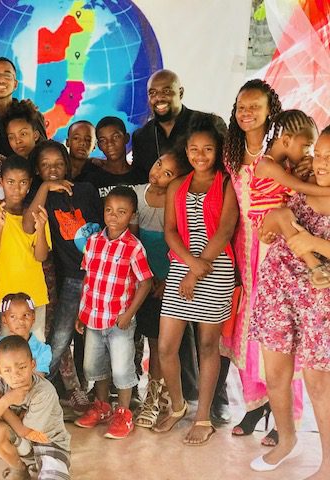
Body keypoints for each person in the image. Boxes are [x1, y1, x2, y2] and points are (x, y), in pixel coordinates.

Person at [133, 70, 231, 422]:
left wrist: (200, 261)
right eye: (153, 92)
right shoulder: (143, 136)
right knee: (170, 337)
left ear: (180, 92)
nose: (159, 97)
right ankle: (182, 399)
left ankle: (213, 401)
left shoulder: (206, 122)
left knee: (209, 340)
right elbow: (144, 182)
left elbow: (227, 194)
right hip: (174, 249)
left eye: (167, 91)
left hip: (214, 255)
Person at [221, 79, 302, 446]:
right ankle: (256, 403)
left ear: (271, 110)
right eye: (241, 106)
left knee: (280, 326)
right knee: (250, 325)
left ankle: (283, 415)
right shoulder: (231, 154)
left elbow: (297, 192)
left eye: (255, 106)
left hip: (280, 247)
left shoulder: (282, 150)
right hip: (246, 246)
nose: (247, 112)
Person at [248, 127, 330, 477]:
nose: (323, 164)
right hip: (278, 288)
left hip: (320, 298)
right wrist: (272, 226)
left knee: (318, 382)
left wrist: (311, 242)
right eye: (322, 155)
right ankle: (286, 440)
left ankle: (328, 462)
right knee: (277, 372)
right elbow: (268, 221)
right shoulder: (302, 179)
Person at [154, 114, 238, 446]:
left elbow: (225, 231)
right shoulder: (178, 185)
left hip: (216, 271)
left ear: (218, 150)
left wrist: (197, 268)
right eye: (193, 149)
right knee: (165, 347)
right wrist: (188, 265)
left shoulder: (227, 183)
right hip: (183, 267)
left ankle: (203, 416)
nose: (200, 155)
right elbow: (170, 231)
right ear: (185, 150)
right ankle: (177, 406)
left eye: (207, 149)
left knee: (207, 345)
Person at [22, 140, 103, 396]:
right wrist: (45, 187)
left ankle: (97, 392)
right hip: (70, 277)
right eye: (45, 166)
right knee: (59, 337)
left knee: (98, 337)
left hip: (98, 274)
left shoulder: (86, 190)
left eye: (58, 163)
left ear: (67, 165)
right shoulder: (41, 197)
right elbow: (27, 225)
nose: (53, 169)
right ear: (37, 171)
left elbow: (103, 228)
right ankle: (35, 389)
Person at [74, 186, 153, 439]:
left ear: (131, 215)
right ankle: (102, 407)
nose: (113, 216)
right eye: (109, 210)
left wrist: (129, 314)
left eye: (121, 212)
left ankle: (123, 413)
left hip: (119, 320)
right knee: (93, 366)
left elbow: (146, 282)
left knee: (121, 369)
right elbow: (88, 278)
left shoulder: (134, 246)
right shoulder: (93, 242)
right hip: (94, 317)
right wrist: (80, 312)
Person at [129, 150, 191, 429]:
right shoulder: (137, 193)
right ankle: (132, 393)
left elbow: (178, 242)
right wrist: (143, 276)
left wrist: (165, 279)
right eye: (157, 164)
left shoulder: (177, 200)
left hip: (165, 282)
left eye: (168, 174)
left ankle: (152, 396)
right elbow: (133, 239)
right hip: (139, 277)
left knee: (157, 341)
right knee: (135, 336)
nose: (157, 174)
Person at [246, 110, 329, 286]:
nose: (308, 154)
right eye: (308, 147)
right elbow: (298, 187)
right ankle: (313, 263)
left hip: (280, 221)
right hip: (266, 219)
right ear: (286, 141)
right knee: (282, 214)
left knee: (283, 215)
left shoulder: (288, 168)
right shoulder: (267, 165)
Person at [0, 335, 71, 480]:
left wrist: (1, 400)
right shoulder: (1, 384)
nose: (15, 375)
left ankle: (44, 468)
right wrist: (4, 401)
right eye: (7, 370)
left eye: (22, 367)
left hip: (50, 445)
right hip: (26, 447)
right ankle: (20, 469)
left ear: (32, 365)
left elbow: (23, 431)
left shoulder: (44, 392)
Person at [0, 155, 51, 341]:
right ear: (1, 182)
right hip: (6, 296)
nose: (17, 188)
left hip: (35, 294)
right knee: (9, 351)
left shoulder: (36, 215)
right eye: (10, 182)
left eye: (23, 182)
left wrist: (40, 230)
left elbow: (41, 257)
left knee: (36, 351)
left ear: (30, 183)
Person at [0, 57, 46, 157]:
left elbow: (44, 154)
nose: (1, 80)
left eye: (7, 75)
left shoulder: (32, 116)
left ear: (15, 84)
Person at [0, 293, 52, 378]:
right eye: (13, 316)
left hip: (31, 390)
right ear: (4, 320)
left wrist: (8, 377)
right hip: (5, 388)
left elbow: (37, 378)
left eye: (26, 315)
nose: (21, 321)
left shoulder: (43, 350)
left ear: (33, 317)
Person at [89, 116, 147, 196]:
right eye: (103, 140)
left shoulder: (142, 177)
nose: (110, 143)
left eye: (116, 137)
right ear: (99, 146)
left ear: (126, 138)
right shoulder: (92, 180)